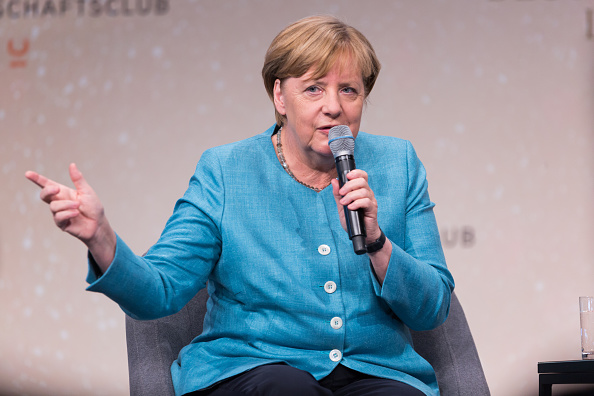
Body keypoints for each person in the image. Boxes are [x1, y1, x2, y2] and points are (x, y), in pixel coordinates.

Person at [25, 15, 454, 396]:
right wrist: (102, 240)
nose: (334, 107)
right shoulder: (226, 170)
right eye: (313, 89)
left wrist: (378, 243)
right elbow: (160, 290)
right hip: (256, 368)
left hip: (374, 372)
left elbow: (432, 308)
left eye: (349, 90)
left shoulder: (398, 163)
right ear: (280, 97)